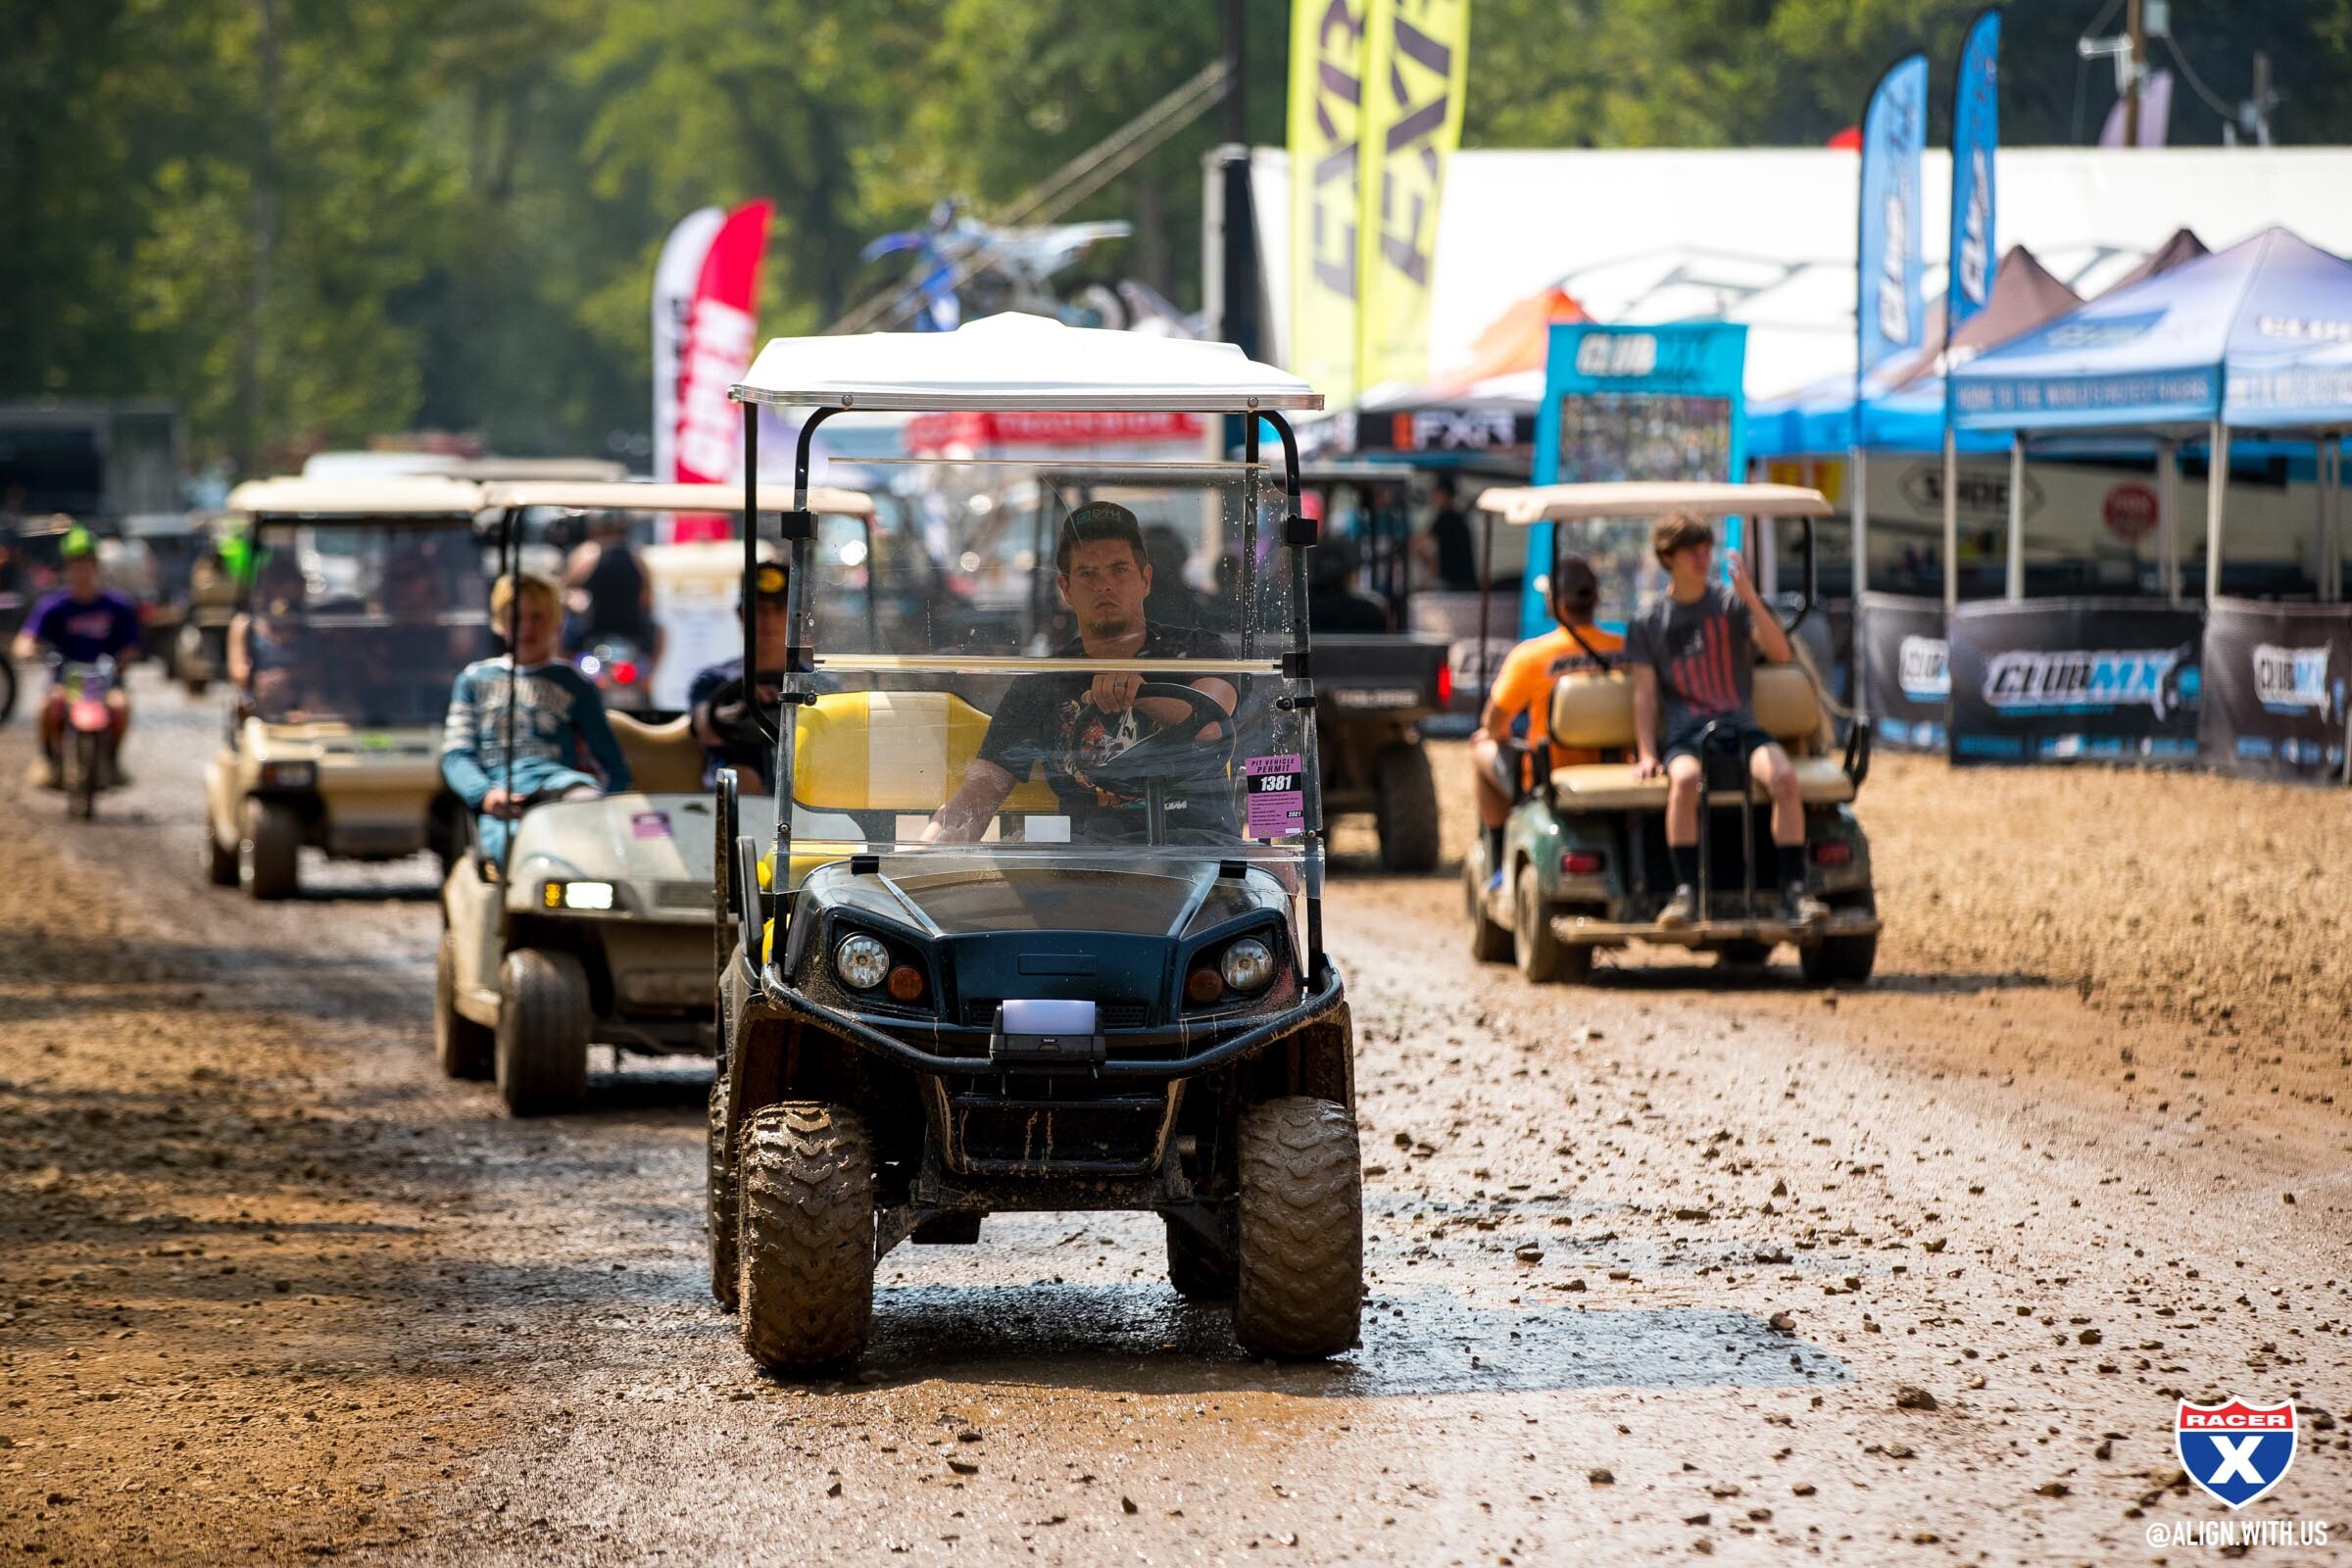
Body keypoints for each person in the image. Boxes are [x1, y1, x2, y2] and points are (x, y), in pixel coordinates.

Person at [926, 502, 1238, 846]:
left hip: (1200, 855)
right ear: (1066, 589)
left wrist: (1142, 694)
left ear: (1145, 579)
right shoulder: (1044, 683)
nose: (1104, 585)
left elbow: (1212, 724)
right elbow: (977, 797)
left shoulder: (1198, 652)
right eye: (1087, 574)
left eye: (1119, 569)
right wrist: (922, 856)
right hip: (1090, 868)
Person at [1626, 513, 1824, 929]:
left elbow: (1781, 654)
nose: (1703, 558)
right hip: (1685, 734)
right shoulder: (1648, 622)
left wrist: (1751, 596)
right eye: (1692, 551)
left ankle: (1794, 890)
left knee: (1784, 777)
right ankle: (1686, 894)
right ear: (1668, 557)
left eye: (1706, 549)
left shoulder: (1731, 605)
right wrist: (1646, 752)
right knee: (1682, 782)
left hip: (1742, 728)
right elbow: (1643, 694)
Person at [442, 571, 632, 865]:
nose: (526, 627)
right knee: (518, 852)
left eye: (538, 616)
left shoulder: (575, 684)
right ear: (499, 622)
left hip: (561, 789)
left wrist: (610, 811)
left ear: (557, 621)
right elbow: (455, 755)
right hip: (503, 799)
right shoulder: (474, 680)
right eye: (516, 617)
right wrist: (485, 793)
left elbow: (614, 765)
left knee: (587, 823)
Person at [1470, 554, 1622, 887]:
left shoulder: (1532, 656)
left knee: (1480, 745)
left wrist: (1502, 736)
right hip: (1619, 769)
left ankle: (1497, 855)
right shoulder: (1623, 649)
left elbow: (1494, 725)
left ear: (1554, 604)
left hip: (1550, 772)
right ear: (1595, 599)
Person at [14, 526, 141, 788]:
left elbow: (131, 645)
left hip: (105, 681)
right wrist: (27, 649)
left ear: (96, 567)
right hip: (66, 681)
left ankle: (113, 761)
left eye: (87, 564)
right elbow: (26, 638)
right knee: (46, 708)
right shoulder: (53, 606)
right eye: (75, 565)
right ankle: (49, 758)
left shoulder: (118, 605)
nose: (82, 571)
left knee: (121, 707)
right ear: (67, 568)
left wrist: (123, 661)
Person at [687, 558, 792, 793]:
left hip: (800, 787)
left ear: (796, 618)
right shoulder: (714, 679)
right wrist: (742, 707)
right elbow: (707, 729)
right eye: (759, 610)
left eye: (779, 610)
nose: (769, 620)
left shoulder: (816, 683)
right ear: (741, 614)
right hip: (731, 797)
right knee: (741, 778)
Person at [562, 511, 663, 665]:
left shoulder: (587, 553)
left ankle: (565, 672)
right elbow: (648, 598)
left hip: (598, 630)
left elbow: (563, 589)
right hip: (621, 630)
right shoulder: (636, 554)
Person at [1416, 475, 1481, 592]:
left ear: (1445, 495)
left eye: (1436, 494)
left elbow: (1419, 543)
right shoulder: (1458, 518)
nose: (1433, 498)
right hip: (1464, 584)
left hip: (1456, 585)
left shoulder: (1447, 518)